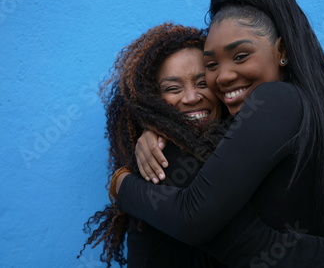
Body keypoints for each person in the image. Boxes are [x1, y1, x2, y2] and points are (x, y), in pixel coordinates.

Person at [114, 0, 324, 267]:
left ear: (281, 51)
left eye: (241, 56)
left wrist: (121, 184)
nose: (224, 76)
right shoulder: (311, 109)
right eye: (212, 64)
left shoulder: (276, 100)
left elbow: (196, 221)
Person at [79, 23, 229, 267]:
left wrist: (120, 181)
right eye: (172, 88)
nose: (192, 97)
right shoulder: (161, 160)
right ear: (150, 100)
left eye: (202, 83)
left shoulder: (238, 139)